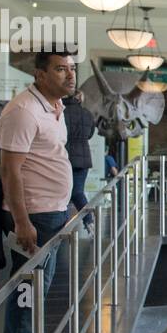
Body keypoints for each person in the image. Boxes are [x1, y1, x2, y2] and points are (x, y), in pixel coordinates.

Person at [0, 49, 78, 333]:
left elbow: (50, 159)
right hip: (34, 215)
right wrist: (22, 222)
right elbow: (10, 171)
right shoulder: (24, 110)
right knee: (26, 292)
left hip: (54, 212)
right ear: (40, 74)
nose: (70, 75)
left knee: (40, 291)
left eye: (72, 69)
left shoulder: (56, 107)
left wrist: (68, 202)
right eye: (61, 69)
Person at [62, 90, 97, 231]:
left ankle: (66, 225)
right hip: (83, 159)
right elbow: (89, 134)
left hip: (64, 157)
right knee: (77, 191)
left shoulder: (60, 113)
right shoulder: (87, 114)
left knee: (63, 194)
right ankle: (89, 221)